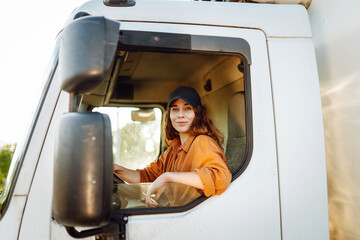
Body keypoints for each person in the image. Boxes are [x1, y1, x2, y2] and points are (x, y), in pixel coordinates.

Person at [113, 86, 232, 207]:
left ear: (197, 113)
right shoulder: (172, 150)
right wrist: (115, 169)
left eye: (187, 109)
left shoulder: (203, 142)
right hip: (177, 212)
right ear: (169, 115)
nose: (180, 115)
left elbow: (220, 178)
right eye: (175, 110)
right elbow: (147, 177)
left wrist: (168, 177)